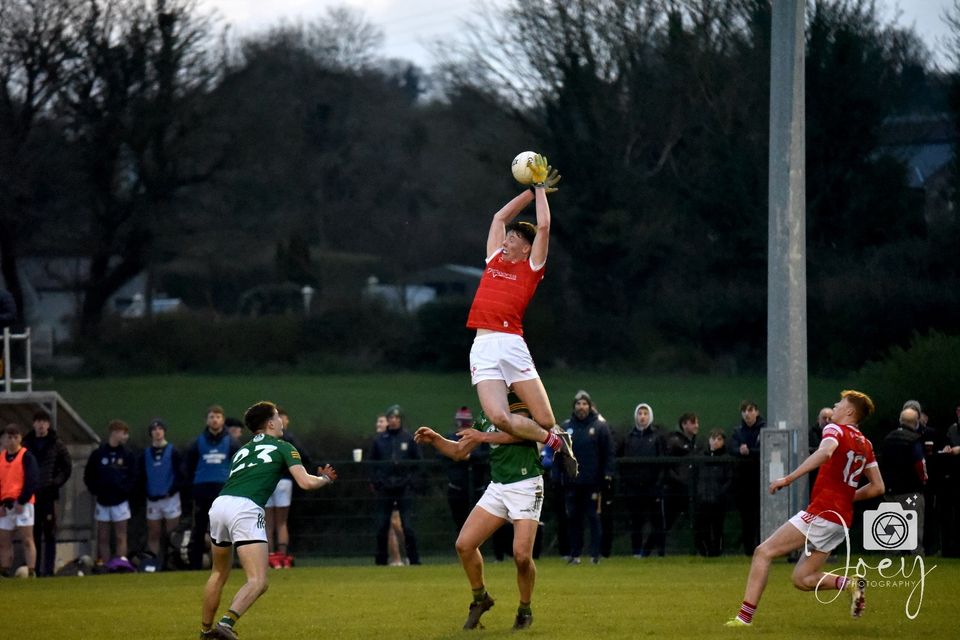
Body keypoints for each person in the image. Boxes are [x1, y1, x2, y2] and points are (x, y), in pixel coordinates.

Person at [726, 390, 884, 627]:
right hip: (841, 520)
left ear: (850, 411)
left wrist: (788, 478)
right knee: (802, 579)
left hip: (822, 512)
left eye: (839, 403)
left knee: (763, 552)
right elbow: (878, 487)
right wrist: (847, 497)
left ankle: (743, 618)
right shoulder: (866, 443)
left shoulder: (834, 429)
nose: (835, 406)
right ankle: (849, 584)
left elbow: (825, 452)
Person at [464, 155, 578, 478]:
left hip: (511, 343)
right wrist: (529, 190)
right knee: (499, 417)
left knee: (544, 416)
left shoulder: (530, 269)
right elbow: (499, 217)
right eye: (508, 236)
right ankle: (553, 441)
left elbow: (543, 226)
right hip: (483, 346)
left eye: (514, 238)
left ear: (526, 248)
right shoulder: (494, 260)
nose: (508, 238)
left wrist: (541, 188)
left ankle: (554, 434)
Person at [200, 401, 337, 640]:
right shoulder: (283, 447)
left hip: (219, 505)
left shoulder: (241, 451)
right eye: (277, 417)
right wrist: (325, 478)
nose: (282, 421)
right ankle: (226, 623)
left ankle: (204, 631)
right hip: (245, 508)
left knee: (218, 573)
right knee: (259, 581)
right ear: (271, 423)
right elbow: (305, 482)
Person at [414, 392, 544, 631]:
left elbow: (521, 433)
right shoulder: (486, 416)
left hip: (526, 485)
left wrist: (482, 436)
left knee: (522, 556)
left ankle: (524, 611)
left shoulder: (516, 401)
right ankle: (480, 598)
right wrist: (435, 439)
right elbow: (459, 452)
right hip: (499, 486)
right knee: (464, 544)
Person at [184, 405, 240, 570]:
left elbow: (239, 465)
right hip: (201, 490)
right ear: (207, 420)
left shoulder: (232, 442)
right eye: (211, 417)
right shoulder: (196, 442)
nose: (214, 420)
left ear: (223, 420)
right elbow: (188, 466)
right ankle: (195, 564)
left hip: (224, 491)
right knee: (199, 528)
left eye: (218, 417)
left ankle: (228, 563)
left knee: (227, 527)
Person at [562, 390, 614, 564]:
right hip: (572, 481)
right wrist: (558, 475)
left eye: (584, 404)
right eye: (578, 404)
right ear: (574, 406)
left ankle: (594, 555)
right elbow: (558, 453)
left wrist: (607, 475)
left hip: (592, 482)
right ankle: (575, 554)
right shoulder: (566, 426)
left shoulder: (600, 427)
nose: (581, 407)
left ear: (590, 406)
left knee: (593, 517)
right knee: (573, 518)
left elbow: (608, 453)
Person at [368, 404, 421, 565]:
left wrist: (411, 481)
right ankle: (381, 560)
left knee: (407, 525)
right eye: (391, 417)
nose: (394, 420)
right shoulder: (379, 440)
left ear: (401, 420)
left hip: (404, 487)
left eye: (397, 418)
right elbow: (371, 463)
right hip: (385, 487)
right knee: (382, 525)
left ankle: (414, 559)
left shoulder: (409, 438)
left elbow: (418, 462)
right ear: (388, 420)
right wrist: (377, 481)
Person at [22, 409, 72, 577]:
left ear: (48, 424)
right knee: (33, 533)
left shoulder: (56, 443)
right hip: (31, 495)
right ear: (34, 424)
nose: (41, 425)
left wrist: (55, 483)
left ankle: (49, 570)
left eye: (44, 422)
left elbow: (66, 467)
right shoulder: (26, 444)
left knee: (49, 533)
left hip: (49, 496)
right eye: (38, 421)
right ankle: (34, 569)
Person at [83, 419, 137, 571]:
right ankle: (107, 566)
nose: (126, 436)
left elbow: (133, 477)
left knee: (121, 535)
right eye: (123, 433)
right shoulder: (98, 454)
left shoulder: (127, 454)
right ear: (114, 433)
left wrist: (124, 490)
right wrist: (97, 491)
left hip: (120, 502)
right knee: (103, 537)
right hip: (102, 502)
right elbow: (88, 476)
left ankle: (121, 564)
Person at [265, 407, 311, 569]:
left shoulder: (264, 438)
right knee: (282, 522)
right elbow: (305, 456)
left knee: (268, 522)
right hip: (283, 481)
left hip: (267, 481)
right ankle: (282, 556)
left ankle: (269, 556)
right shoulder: (289, 438)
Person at [619, 402, 665, 557]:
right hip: (633, 488)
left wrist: (658, 482)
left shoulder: (657, 437)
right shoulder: (628, 438)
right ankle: (636, 552)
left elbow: (662, 462)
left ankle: (659, 553)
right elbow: (622, 463)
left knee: (656, 522)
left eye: (645, 414)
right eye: (640, 414)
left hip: (652, 487)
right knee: (636, 522)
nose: (642, 417)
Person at [880, 407, 926, 555]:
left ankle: (892, 553)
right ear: (916, 422)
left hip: (890, 489)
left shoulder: (888, 438)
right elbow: (919, 464)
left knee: (893, 523)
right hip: (910, 490)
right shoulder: (915, 439)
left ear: (900, 420)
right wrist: (924, 480)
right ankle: (916, 553)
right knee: (914, 523)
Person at [140, 418, 184, 571]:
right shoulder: (145, 453)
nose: (157, 432)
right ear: (151, 433)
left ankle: (172, 562)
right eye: (154, 429)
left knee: (172, 534)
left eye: (160, 429)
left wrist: (171, 490)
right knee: (154, 533)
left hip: (170, 499)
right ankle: (153, 564)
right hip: (153, 499)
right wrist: (147, 492)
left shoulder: (173, 451)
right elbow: (141, 476)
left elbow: (180, 474)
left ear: (164, 431)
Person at [0, 423, 39, 577]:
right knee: (4, 540)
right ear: (3, 440)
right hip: (5, 504)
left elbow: (32, 480)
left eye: (15, 437)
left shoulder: (26, 456)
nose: (12, 441)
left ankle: (31, 571)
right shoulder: (1, 458)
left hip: (23, 504)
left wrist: (22, 501)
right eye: (9, 437)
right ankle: (4, 570)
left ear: (20, 438)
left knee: (27, 539)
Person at [730, 400, 766, 555]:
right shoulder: (738, 431)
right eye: (744, 411)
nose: (747, 414)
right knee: (746, 516)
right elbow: (732, 448)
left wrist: (749, 451)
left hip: (761, 479)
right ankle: (748, 550)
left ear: (756, 412)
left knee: (761, 515)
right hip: (743, 481)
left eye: (750, 410)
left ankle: (763, 547)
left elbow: (768, 447)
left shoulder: (764, 429)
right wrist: (739, 451)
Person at [662, 412, 699, 552]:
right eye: (693, 422)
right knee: (667, 523)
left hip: (689, 490)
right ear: (684, 425)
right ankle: (656, 551)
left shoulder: (695, 443)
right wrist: (679, 481)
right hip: (675, 490)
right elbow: (669, 467)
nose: (697, 426)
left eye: (697, 422)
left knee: (696, 521)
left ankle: (697, 551)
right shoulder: (674, 441)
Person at [694, 429, 732, 557]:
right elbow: (694, 477)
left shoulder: (726, 459)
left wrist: (721, 493)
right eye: (713, 438)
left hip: (718, 500)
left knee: (717, 527)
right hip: (703, 499)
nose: (716, 441)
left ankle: (716, 551)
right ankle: (705, 551)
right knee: (702, 527)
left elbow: (729, 479)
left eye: (719, 439)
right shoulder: (701, 457)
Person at [807, 407, 833, 497]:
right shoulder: (810, 433)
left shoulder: (837, 434)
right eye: (824, 418)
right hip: (814, 476)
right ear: (818, 419)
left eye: (830, 419)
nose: (827, 421)